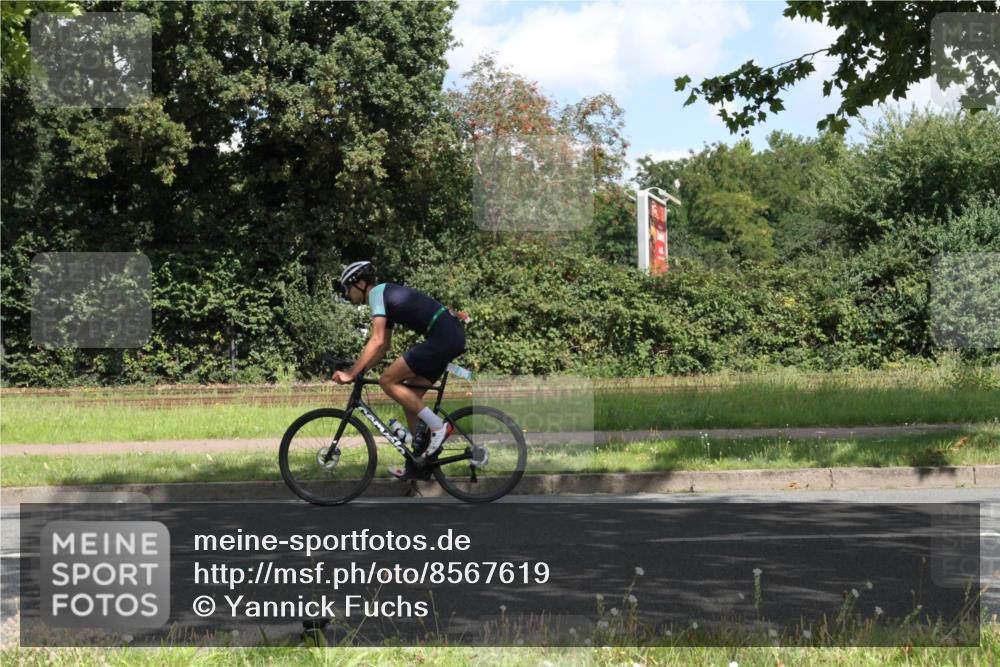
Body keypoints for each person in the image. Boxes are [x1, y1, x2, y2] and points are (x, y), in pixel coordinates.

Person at [332, 261, 466, 479]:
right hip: (448, 336)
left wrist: (351, 373)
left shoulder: (376, 293)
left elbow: (375, 340)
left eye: (348, 287)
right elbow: (384, 346)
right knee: (410, 398)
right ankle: (420, 464)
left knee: (387, 381)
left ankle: (438, 427)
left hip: (443, 337)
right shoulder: (385, 297)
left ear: (362, 284)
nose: (346, 294)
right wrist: (361, 368)